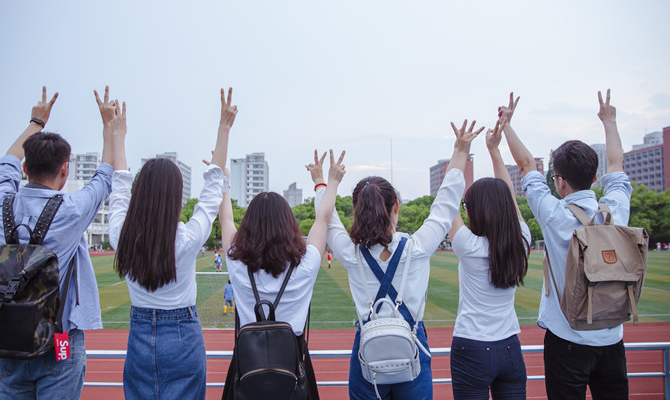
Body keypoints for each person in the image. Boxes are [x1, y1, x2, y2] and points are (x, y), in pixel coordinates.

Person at [315, 121, 480, 400]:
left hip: (368, 352)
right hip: (412, 347)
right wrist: (460, 151)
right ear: (396, 207)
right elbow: (445, 204)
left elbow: (328, 221)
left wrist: (323, 183)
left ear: (357, 211)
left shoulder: (351, 253)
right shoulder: (417, 247)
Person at [0, 85, 121, 399]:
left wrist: (36, 122)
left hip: (8, 341)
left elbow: (5, 163)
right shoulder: (71, 211)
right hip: (57, 341)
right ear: (65, 169)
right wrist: (108, 126)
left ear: (25, 169)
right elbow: (106, 175)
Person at [501, 90, 632, 399]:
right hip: (612, 338)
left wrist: (506, 125)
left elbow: (524, 165)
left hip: (568, 340)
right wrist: (609, 121)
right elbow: (616, 163)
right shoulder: (616, 207)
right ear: (595, 176)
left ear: (558, 181)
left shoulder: (554, 213)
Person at [108, 88, 237, 399]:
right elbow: (212, 191)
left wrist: (118, 135)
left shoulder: (120, 235)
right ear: (176, 199)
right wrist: (223, 128)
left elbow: (120, 186)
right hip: (183, 336)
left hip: (139, 335)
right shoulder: (187, 239)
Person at [220, 149, 346, 400]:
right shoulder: (307, 263)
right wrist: (328, 183)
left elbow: (226, 221)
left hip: (247, 364)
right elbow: (322, 219)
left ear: (248, 226)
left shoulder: (236, 260)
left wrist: (224, 180)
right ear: (289, 224)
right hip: (293, 364)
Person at [447, 120, 530, 399]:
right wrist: (494, 151)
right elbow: (508, 196)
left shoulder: (468, 246)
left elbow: (446, 198)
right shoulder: (523, 239)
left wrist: (460, 150)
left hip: (471, 347)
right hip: (509, 347)